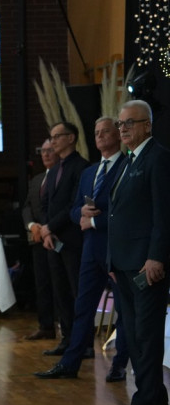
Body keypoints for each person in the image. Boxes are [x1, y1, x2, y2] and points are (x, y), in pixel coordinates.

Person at [35, 117, 131, 380]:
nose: (100, 136)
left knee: (123, 309)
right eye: (97, 132)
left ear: (118, 135)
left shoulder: (127, 166)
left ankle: (119, 364)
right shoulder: (90, 172)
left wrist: (94, 220)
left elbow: (127, 210)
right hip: (90, 248)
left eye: (106, 131)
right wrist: (83, 213)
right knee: (83, 306)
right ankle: (70, 363)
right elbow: (75, 207)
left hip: (117, 247)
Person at [107, 100, 170, 405]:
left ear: (147, 124)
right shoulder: (127, 160)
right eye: (120, 124)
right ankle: (157, 396)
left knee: (146, 334)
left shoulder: (158, 159)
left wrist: (157, 256)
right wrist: (111, 262)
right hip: (124, 263)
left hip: (146, 264)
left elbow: (164, 215)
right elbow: (116, 213)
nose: (123, 129)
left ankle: (144, 402)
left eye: (129, 123)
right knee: (134, 332)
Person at [39, 121, 89, 356]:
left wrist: (50, 227)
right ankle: (67, 339)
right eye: (51, 137)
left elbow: (73, 204)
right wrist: (46, 231)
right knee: (60, 292)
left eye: (57, 136)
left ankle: (85, 342)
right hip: (53, 240)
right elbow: (46, 204)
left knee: (78, 292)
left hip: (72, 239)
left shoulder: (81, 167)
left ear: (71, 138)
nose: (52, 141)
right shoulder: (54, 170)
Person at [21, 140, 57, 341]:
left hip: (56, 237)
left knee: (60, 285)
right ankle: (46, 325)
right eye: (43, 151)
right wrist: (32, 226)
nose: (46, 154)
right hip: (37, 239)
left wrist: (46, 228)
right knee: (42, 283)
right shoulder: (36, 180)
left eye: (50, 150)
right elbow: (27, 207)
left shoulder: (61, 176)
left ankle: (65, 326)